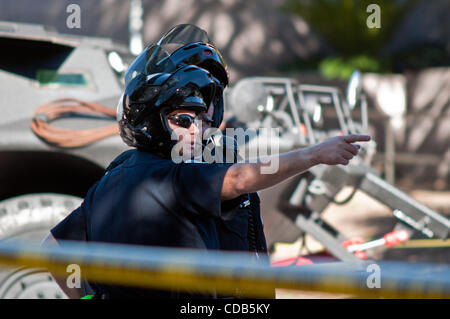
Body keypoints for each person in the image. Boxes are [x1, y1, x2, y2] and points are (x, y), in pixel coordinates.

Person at [42, 24, 371, 299]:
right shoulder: (174, 177)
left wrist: (87, 298)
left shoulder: (113, 178)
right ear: (152, 119)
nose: (198, 129)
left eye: (201, 119)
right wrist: (315, 154)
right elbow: (240, 179)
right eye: (183, 120)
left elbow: (53, 247)